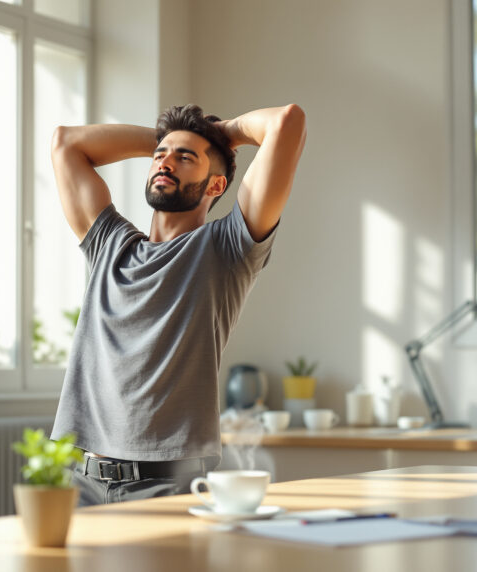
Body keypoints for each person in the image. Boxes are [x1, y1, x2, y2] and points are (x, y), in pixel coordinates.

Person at [49, 103, 306, 505]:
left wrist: (223, 132)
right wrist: (166, 140)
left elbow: (286, 122)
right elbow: (66, 144)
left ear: (216, 186)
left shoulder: (227, 247)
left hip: (164, 484)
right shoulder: (109, 244)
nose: (165, 162)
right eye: (159, 156)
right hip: (77, 480)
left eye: (185, 158)